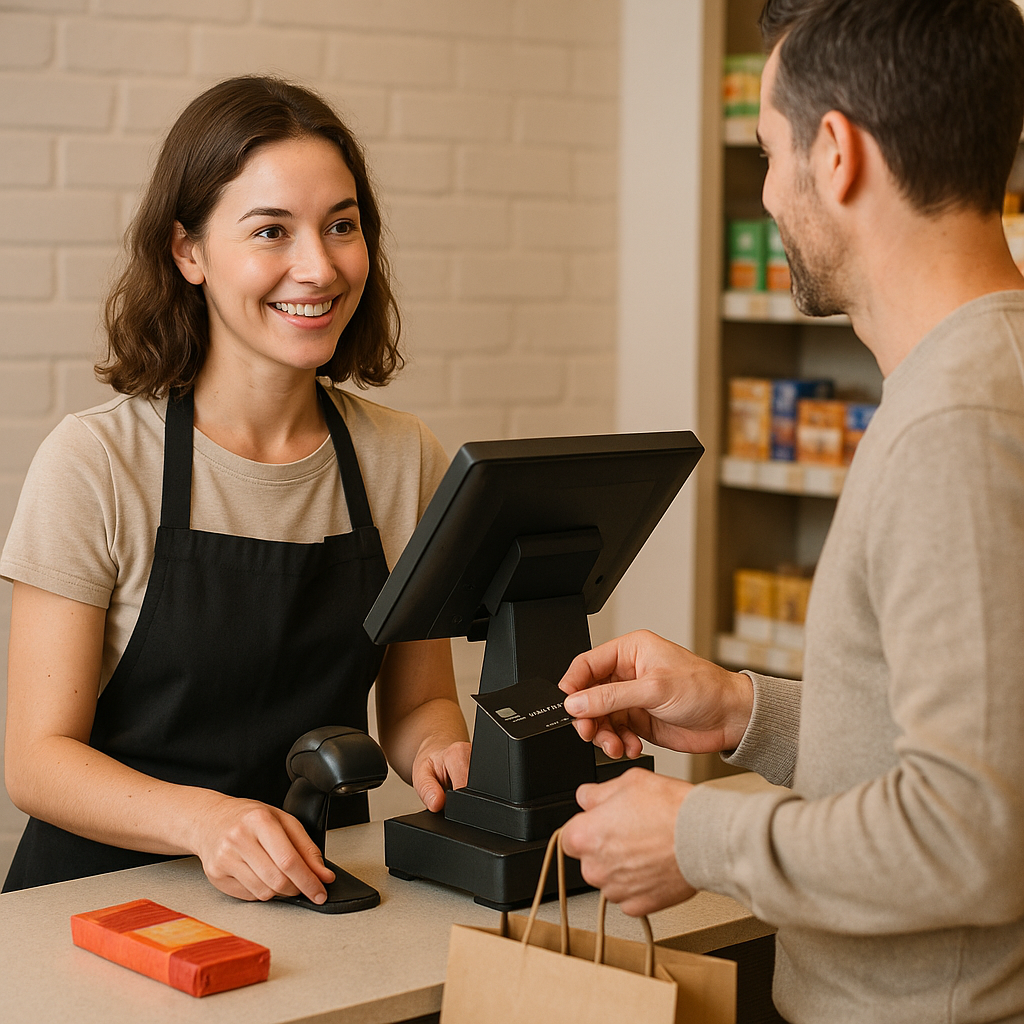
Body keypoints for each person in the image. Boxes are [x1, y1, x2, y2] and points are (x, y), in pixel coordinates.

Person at [559, 1, 1024, 1020]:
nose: (767, 193)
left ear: (836, 152)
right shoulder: (979, 375)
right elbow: (983, 744)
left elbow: (969, 835)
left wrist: (691, 835)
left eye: (769, 152)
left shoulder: (954, 423)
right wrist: (741, 711)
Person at [1, 76, 470, 905]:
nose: (318, 267)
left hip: (307, 895)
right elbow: (37, 759)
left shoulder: (404, 459)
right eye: (270, 231)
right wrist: (207, 823)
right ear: (188, 253)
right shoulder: (96, 462)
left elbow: (419, 699)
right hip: (97, 908)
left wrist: (448, 759)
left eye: (341, 226)